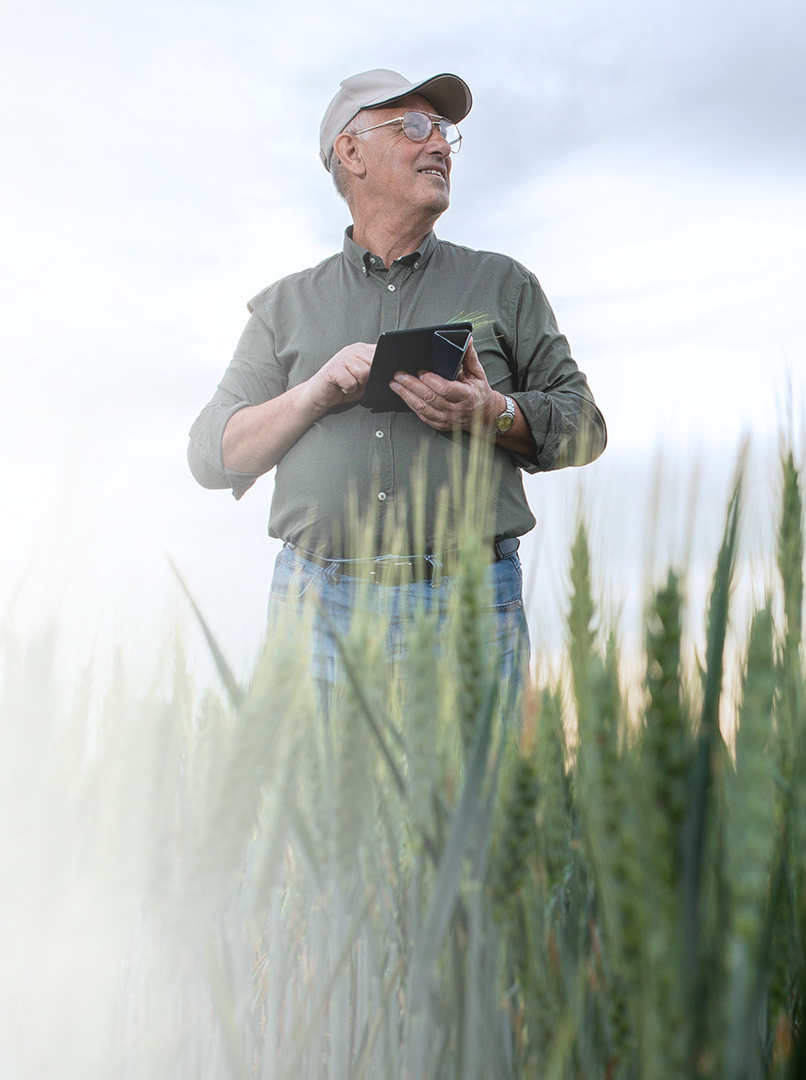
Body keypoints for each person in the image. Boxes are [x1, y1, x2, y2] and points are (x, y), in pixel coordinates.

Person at [186, 69, 607, 701]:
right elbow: (210, 454)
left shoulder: (505, 285)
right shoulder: (285, 308)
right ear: (350, 153)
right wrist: (314, 394)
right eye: (414, 126)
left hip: (472, 605)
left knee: (476, 803)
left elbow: (585, 426)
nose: (438, 143)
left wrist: (492, 412)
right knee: (321, 802)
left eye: (443, 131)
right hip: (316, 607)